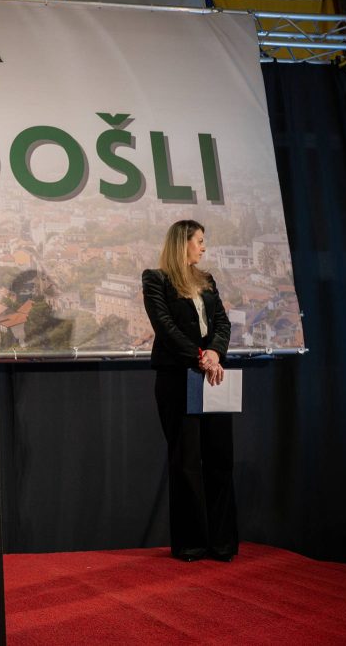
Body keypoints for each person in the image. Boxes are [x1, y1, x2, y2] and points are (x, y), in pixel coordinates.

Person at [142, 219, 236, 562]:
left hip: (213, 376)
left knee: (219, 459)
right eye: (199, 240)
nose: (204, 247)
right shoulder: (155, 279)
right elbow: (165, 328)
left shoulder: (207, 280)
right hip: (178, 378)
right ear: (183, 243)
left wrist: (215, 353)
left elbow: (222, 322)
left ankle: (222, 543)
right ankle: (192, 543)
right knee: (186, 462)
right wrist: (199, 358)